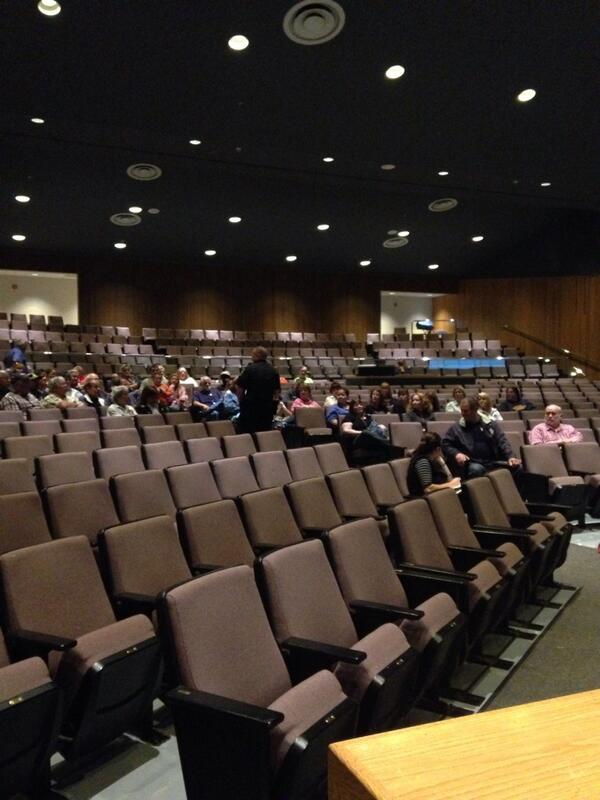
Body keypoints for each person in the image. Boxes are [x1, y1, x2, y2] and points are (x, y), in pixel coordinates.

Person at [442, 396, 521, 478]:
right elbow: (445, 444)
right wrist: (456, 454)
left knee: (517, 468)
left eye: (465, 411)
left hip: (493, 461)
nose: (462, 414)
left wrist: (511, 457)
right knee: (477, 470)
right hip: (472, 463)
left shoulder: (490, 424)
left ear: (475, 410)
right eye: (461, 410)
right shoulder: (456, 428)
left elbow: (502, 441)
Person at [236, 346, 280, 433]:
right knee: (264, 433)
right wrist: (274, 405)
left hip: (251, 407)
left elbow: (240, 388)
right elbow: (276, 392)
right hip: (267, 407)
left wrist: (241, 402)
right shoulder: (273, 370)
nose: (251, 356)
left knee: (249, 433)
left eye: (253, 354)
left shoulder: (249, 369)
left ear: (257, 355)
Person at [341, 398, 391, 463]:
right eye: (356, 405)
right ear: (352, 407)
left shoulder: (367, 417)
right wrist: (363, 433)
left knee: (388, 448)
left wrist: (380, 426)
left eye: (361, 404)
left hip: (370, 442)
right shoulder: (350, 416)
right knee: (383, 450)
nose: (359, 406)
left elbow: (373, 427)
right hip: (357, 443)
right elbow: (346, 430)